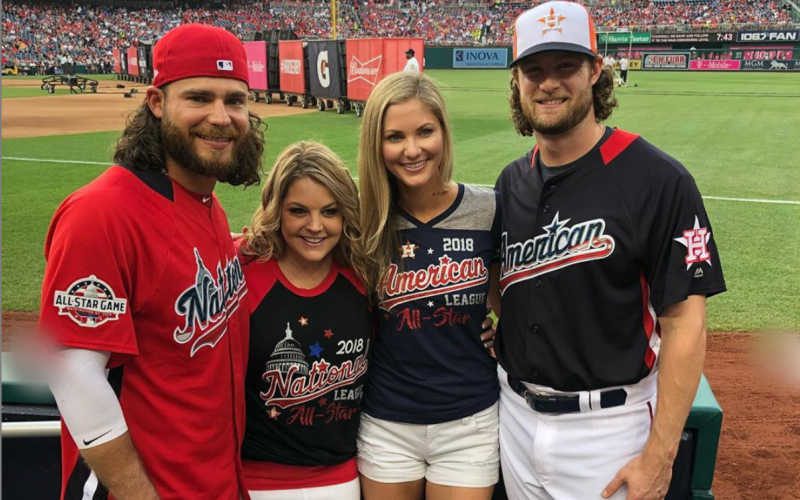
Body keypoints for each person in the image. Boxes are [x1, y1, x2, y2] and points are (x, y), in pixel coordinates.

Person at [495, 2, 726, 499]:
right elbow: (505, 292)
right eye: (533, 70)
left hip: (609, 432)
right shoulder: (511, 182)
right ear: (516, 81)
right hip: (512, 419)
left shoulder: (659, 180)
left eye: (566, 67)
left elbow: (685, 323)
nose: (548, 83)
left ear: (596, 71)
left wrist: (659, 457)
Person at [39, 23, 264, 499]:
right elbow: (73, 375)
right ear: (157, 103)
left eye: (235, 100)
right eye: (199, 97)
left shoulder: (203, 200)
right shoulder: (101, 213)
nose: (222, 117)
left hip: (214, 481)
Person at [357, 71, 501, 500]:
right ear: (376, 145)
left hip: (469, 418)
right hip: (387, 420)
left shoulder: (488, 208)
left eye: (425, 132)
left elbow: (513, 298)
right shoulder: (362, 219)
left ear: (443, 133)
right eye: (395, 137)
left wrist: (504, 333)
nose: (412, 149)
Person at [237, 141, 372, 500]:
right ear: (276, 210)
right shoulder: (242, 274)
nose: (315, 226)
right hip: (256, 480)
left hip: (340, 479)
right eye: (299, 211)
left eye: (329, 211)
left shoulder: (363, 276)